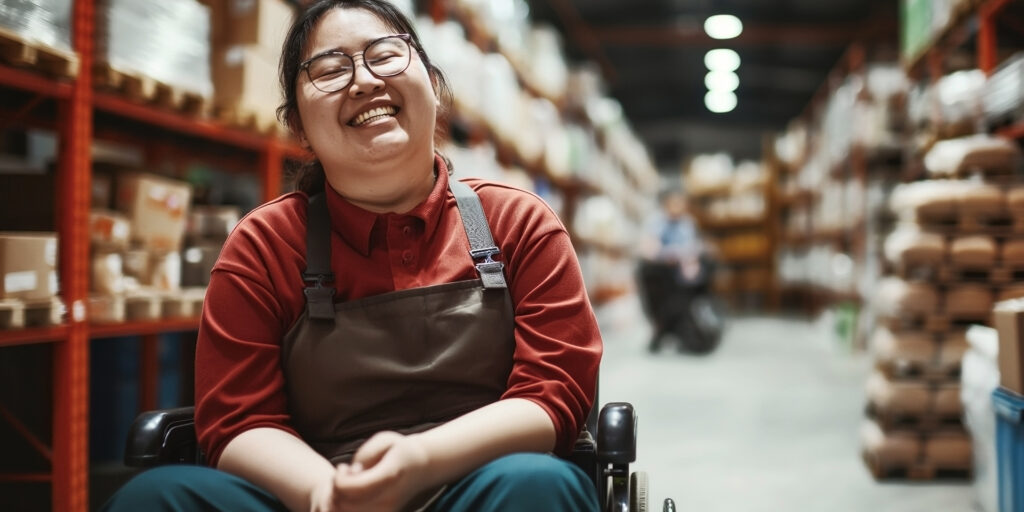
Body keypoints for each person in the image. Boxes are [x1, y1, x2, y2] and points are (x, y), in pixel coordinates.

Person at [100, 1, 602, 511]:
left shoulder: (518, 222)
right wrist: (328, 494)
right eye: (330, 70)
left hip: (481, 489)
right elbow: (240, 421)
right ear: (298, 127)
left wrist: (420, 462)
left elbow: (551, 395)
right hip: (316, 492)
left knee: (539, 485)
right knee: (155, 498)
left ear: (434, 84)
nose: (363, 82)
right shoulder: (265, 245)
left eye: (385, 56)